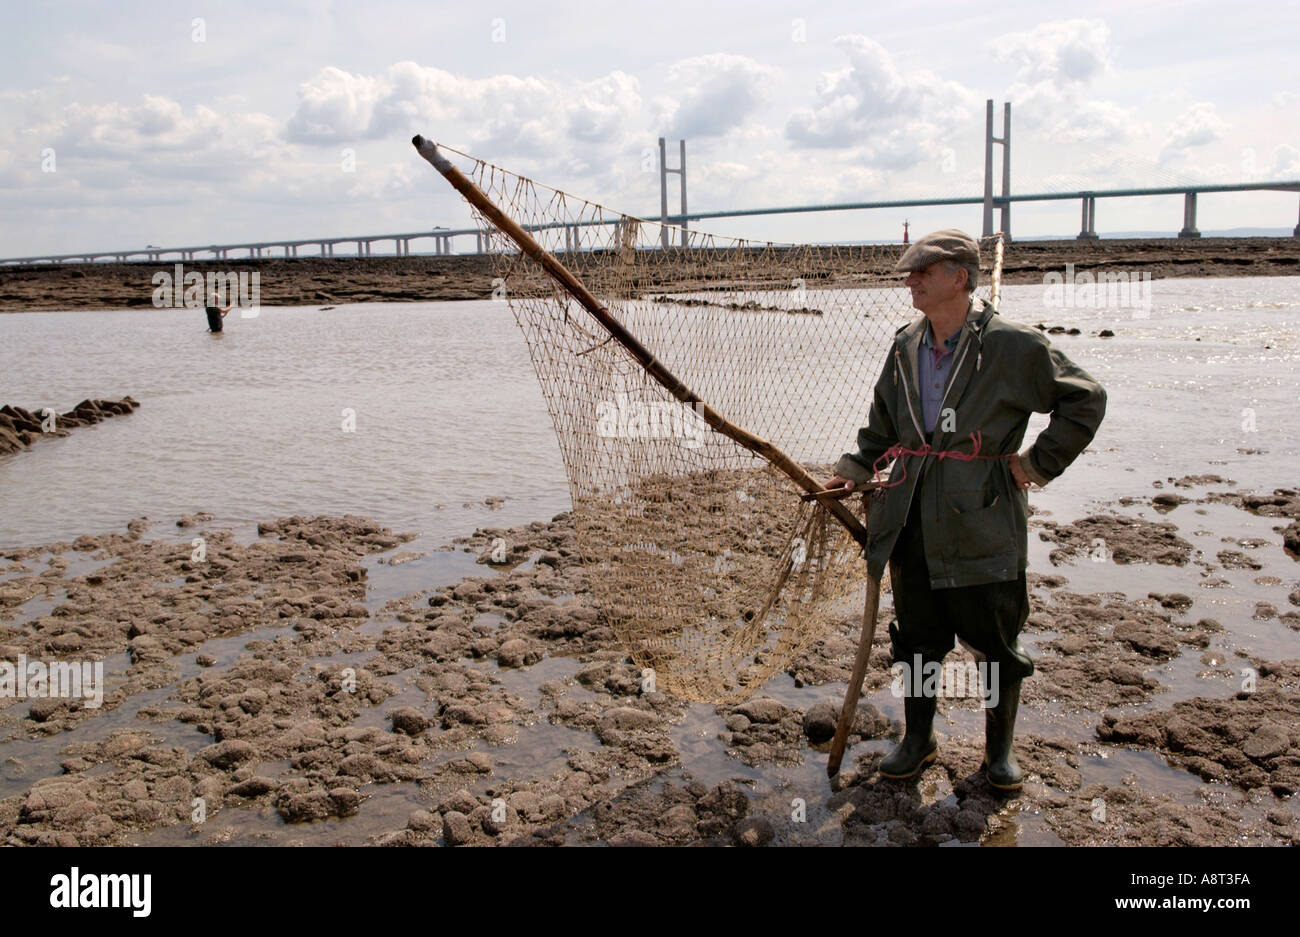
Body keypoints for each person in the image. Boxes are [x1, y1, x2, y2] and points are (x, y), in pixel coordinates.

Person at [823, 229, 1106, 791]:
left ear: (961, 277)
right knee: (918, 640)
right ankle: (918, 740)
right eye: (909, 272)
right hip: (907, 519)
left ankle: (998, 755)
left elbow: (1085, 398)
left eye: (922, 271)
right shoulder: (904, 344)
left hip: (983, 520)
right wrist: (854, 471)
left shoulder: (1012, 346)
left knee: (996, 646)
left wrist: (1035, 464)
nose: (911, 281)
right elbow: (882, 425)